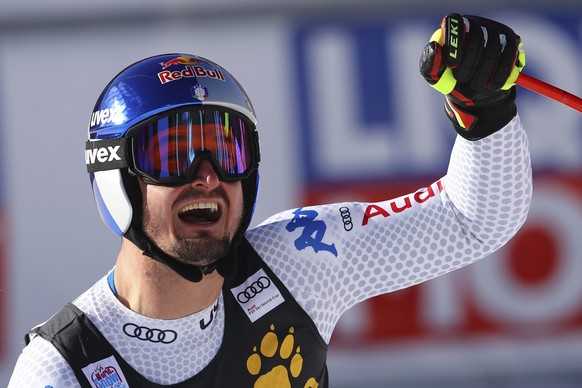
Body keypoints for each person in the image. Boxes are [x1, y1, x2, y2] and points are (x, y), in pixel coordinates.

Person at [9, 13, 532, 388]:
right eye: (174, 155)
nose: (208, 177)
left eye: (228, 151)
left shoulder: (298, 265)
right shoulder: (60, 370)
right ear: (115, 177)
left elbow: (472, 220)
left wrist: (485, 116)